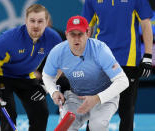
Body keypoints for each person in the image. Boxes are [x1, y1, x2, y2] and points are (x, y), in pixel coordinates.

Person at [0, 4, 62, 131]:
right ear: (26, 21)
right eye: (32, 21)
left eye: (40, 21)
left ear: (46, 22)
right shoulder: (11, 37)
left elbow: (61, 61)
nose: (36, 25)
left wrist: (47, 85)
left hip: (26, 76)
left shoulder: (53, 38)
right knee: (9, 115)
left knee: (41, 112)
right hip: (3, 75)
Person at [42, 15, 129, 131]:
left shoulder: (100, 50)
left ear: (87, 33)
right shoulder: (58, 52)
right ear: (66, 34)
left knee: (97, 126)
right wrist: (54, 92)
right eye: (73, 34)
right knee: (66, 127)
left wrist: (97, 98)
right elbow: (47, 76)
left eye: (80, 34)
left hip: (103, 97)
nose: (76, 39)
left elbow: (123, 81)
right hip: (76, 96)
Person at [81, 0, 154, 131]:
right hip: (100, 62)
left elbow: (145, 23)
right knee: (96, 110)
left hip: (128, 61)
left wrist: (148, 56)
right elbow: (87, 28)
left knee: (127, 111)